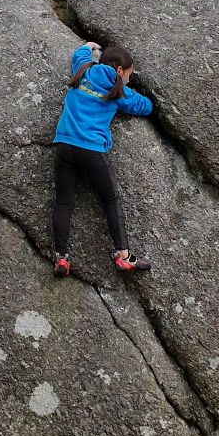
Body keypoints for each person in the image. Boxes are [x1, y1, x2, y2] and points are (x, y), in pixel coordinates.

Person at [51, 40, 154, 277]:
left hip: (64, 146)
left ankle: (61, 258)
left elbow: (78, 54)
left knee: (64, 202)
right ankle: (123, 256)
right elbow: (143, 106)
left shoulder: (84, 69)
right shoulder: (118, 89)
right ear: (119, 70)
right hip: (90, 150)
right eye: (128, 74)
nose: (128, 79)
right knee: (110, 200)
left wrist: (88, 45)